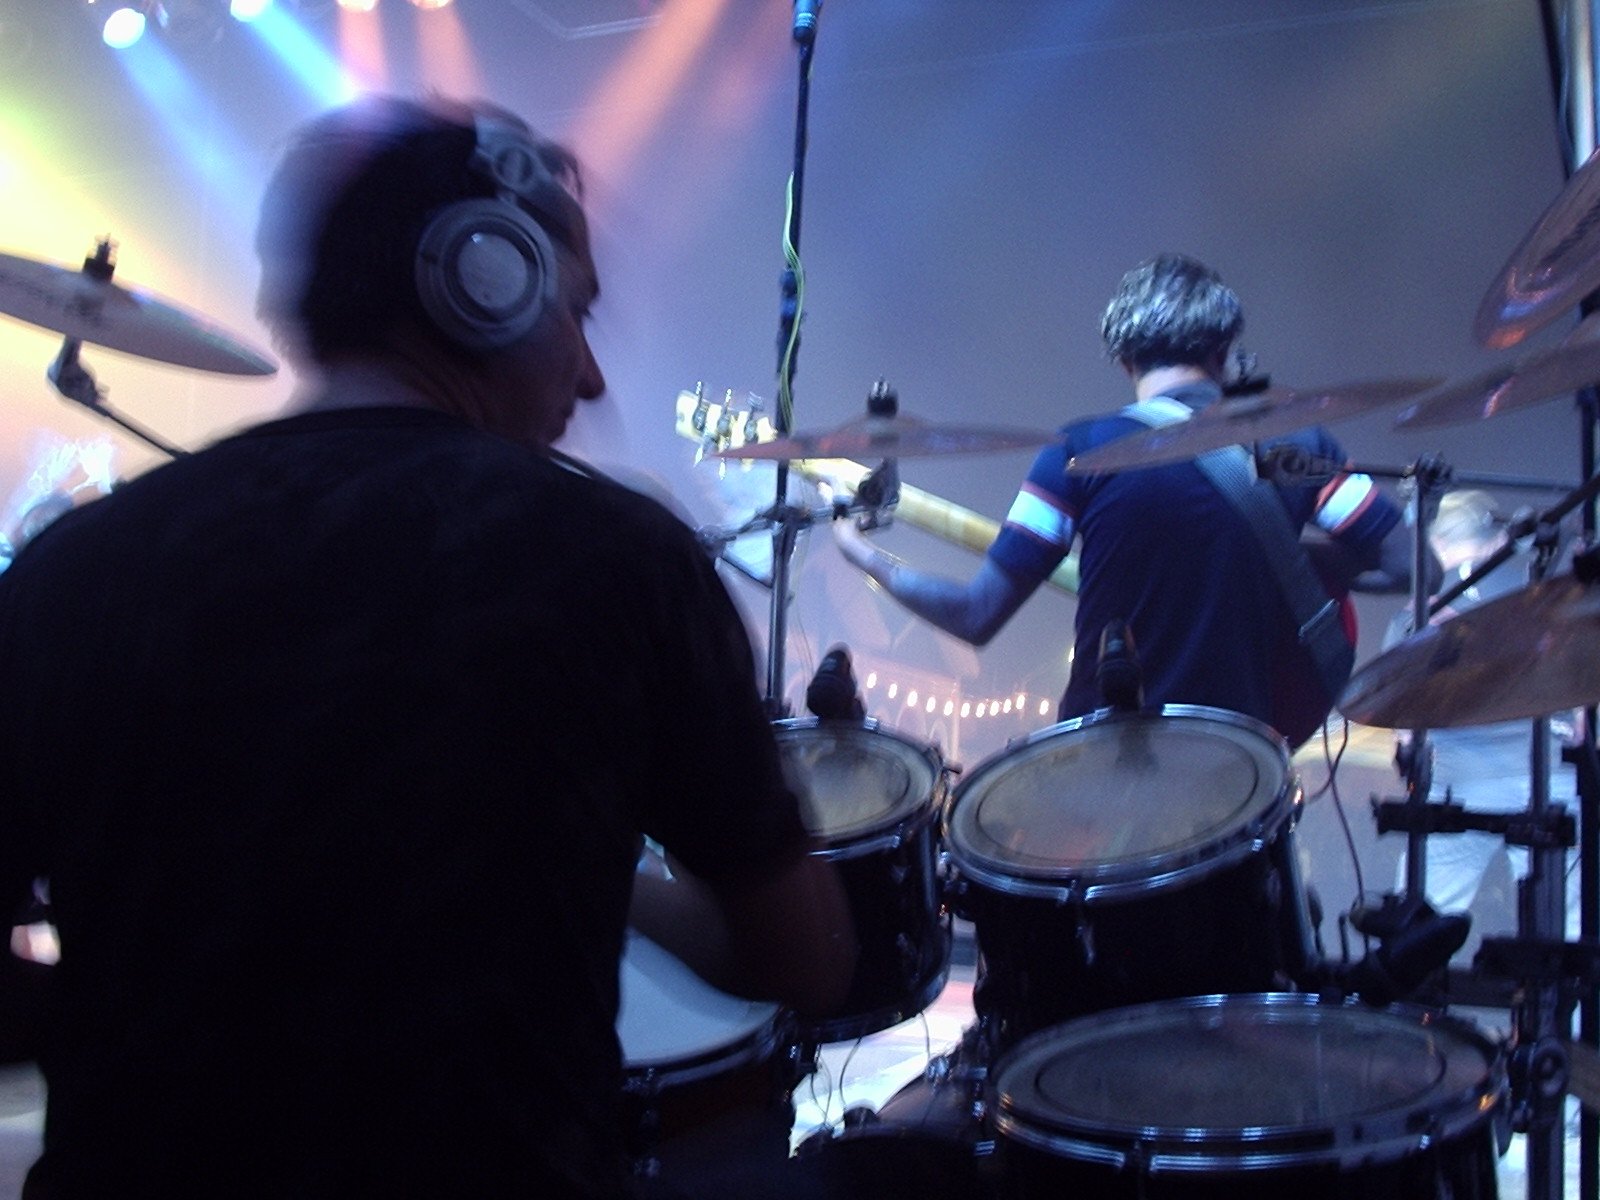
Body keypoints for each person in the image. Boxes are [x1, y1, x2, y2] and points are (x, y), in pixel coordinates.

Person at [0, 94, 856, 1198]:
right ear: (484, 281)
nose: (591, 378)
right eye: (578, 316)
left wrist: (159, 999)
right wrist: (606, 876)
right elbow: (809, 961)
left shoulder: (74, 570)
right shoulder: (619, 559)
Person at [834, 252, 1421, 746]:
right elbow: (1414, 566)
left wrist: (860, 552)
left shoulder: (1079, 452)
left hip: (1103, 763)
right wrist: (1306, 564)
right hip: (1241, 766)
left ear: (1124, 358)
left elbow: (976, 614)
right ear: (1223, 351)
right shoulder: (1298, 446)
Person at [1386, 489, 1579, 959]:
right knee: (1568, 929)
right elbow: (1581, 720)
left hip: (1456, 782)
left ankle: (1412, 1026)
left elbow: (1403, 730)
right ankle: (1567, 1027)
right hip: (1548, 779)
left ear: (1433, 542)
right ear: (1497, 542)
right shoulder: (1544, 598)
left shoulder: (1418, 612)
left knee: (1416, 927)